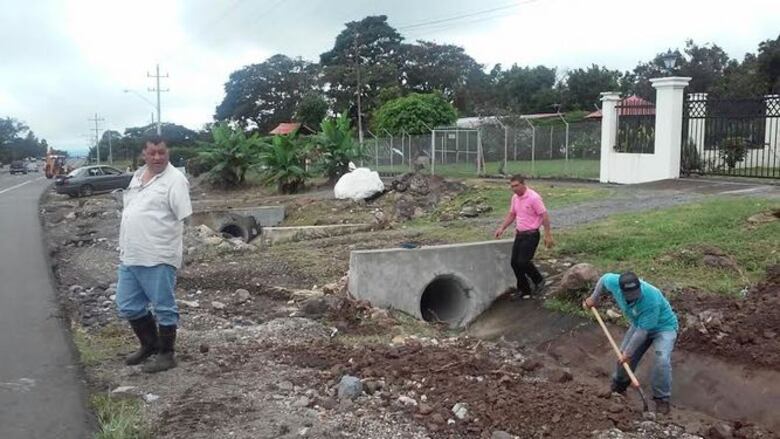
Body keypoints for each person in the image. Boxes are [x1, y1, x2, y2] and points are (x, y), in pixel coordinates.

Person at [116, 135, 192, 373]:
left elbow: (184, 217)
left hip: (158, 254)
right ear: (144, 154)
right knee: (127, 304)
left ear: (168, 152)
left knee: (164, 306)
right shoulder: (138, 176)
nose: (157, 157)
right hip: (131, 253)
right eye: (152, 153)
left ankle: (167, 354)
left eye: (162, 152)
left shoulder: (175, 180)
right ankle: (149, 344)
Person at [583, 272, 679, 414]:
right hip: (639, 324)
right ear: (621, 290)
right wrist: (593, 298)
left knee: (661, 359)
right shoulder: (614, 282)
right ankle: (619, 386)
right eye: (631, 294)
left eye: (636, 292)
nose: (635, 296)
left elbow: (642, 333)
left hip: (664, 328)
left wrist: (628, 353)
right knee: (622, 358)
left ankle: (662, 398)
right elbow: (604, 279)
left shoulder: (651, 298)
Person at [494, 175, 554, 295]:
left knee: (523, 262)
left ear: (523, 184)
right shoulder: (515, 198)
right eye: (512, 186)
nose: (514, 189)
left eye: (516, 185)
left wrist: (548, 234)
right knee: (514, 263)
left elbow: (544, 215)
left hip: (531, 235)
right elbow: (512, 214)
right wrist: (502, 228)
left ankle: (539, 280)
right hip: (520, 234)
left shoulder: (534, 198)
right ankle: (524, 289)